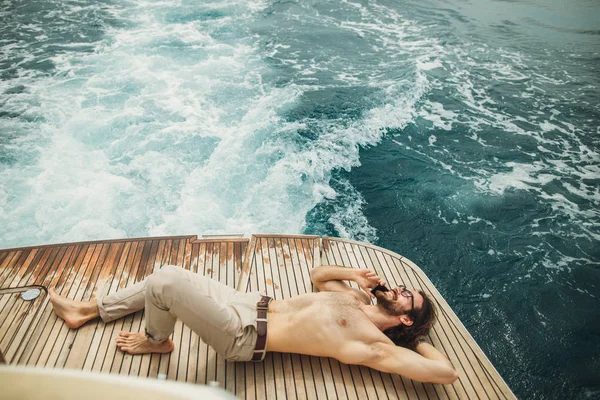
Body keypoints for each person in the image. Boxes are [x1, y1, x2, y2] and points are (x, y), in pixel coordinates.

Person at [49, 264, 458, 384]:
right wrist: (354, 274)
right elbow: (318, 275)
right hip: (246, 303)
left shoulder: (373, 344)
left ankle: (157, 340)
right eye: (402, 287)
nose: (399, 288)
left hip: (244, 336)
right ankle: (88, 310)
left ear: (405, 318)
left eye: (408, 296)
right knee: (173, 273)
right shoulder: (355, 298)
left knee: (164, 284)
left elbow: (444, 373)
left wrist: (414, 341)